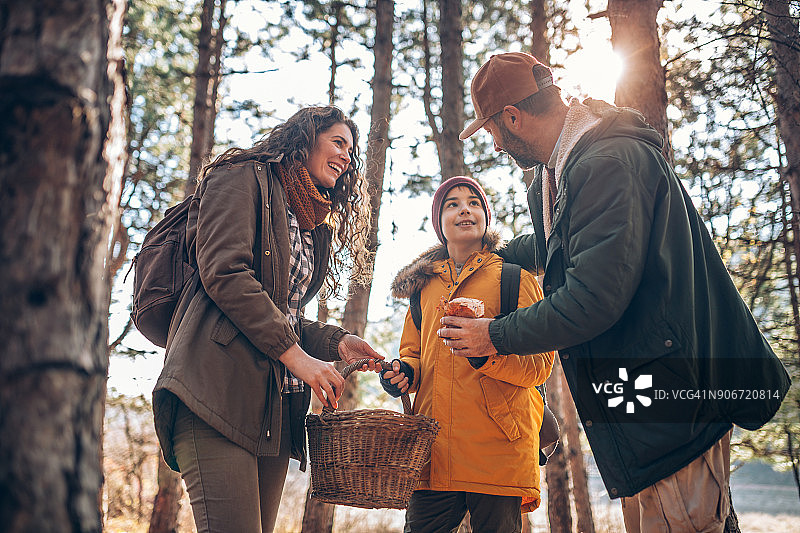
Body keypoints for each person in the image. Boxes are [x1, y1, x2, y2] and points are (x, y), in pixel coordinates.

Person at [443, 52, 790, 533]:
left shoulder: (608, 162)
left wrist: (494, 335)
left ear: (513, 117)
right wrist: (481, 253)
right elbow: (554, 246)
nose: (498, 145)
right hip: (640, 399)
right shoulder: (560, 172)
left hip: (672, 398)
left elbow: (591, 300)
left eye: (494, 131)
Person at [152, 105, 384, 533]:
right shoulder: (242, 176)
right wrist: (298, 358)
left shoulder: (310, 223)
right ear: (305, 137)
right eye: (339, 142)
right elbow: (225, 272)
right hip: (215, 392)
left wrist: (336, 342)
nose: (347, 157)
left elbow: (283, 312)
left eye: (351, 151)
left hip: (275, 412)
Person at [382, 176, 555, 533]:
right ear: (439, 223)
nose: (465, 209)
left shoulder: (515, 279)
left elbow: (539, 365)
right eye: (452, 204)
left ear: (485, 218)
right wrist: (404, 373)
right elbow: (414, 354)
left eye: (474, 202)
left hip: (499, 449)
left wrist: (485, 352)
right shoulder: (423, 289)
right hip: (434, 451)